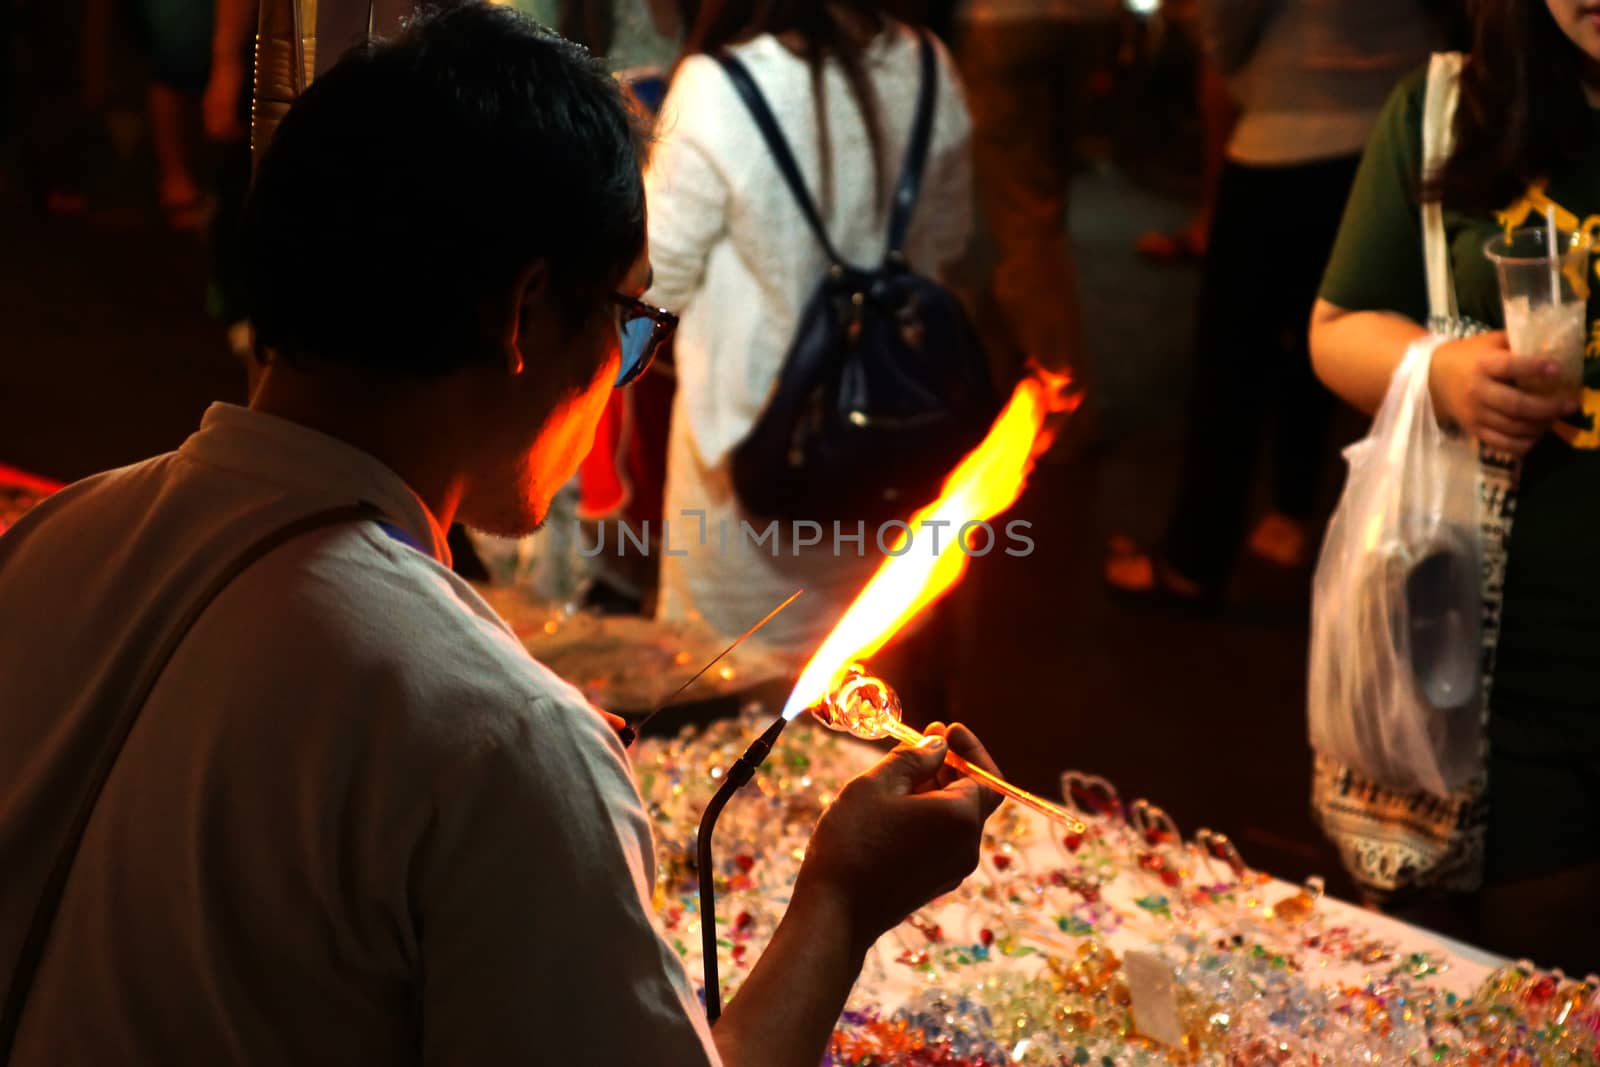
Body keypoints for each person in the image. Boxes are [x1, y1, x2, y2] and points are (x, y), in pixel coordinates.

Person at [0, 6, 1003, 1062]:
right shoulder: (497, 738)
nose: (623, 371)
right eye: (628, 323)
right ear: (526, 314)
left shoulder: (50, 543)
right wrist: (841, 898)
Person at [1309, 0, 1600, 973]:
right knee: (1536, 992)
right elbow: (1335, 326)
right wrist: (1442, 373)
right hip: (1512, 683)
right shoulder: (1444, 111)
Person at [645, 0, 976, 657]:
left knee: (726, 710)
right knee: (866, 711)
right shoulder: (931, 67)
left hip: (749, 490)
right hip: (885, 467)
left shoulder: (720, 87)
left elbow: (655, 279)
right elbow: (948, 246)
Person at [1106, 0, 1445, 608]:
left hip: (1289, 131)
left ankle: (1194, 560)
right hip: (1401, 129)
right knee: (1334, 337)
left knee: (1233, 360)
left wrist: (1231, 65)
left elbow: (1226, 23)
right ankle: (1292, 516)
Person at [954, 0, 1117, 383]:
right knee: (1040, 204)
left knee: (1023, 217)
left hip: (1007, 20)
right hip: (1089, 21)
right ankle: (999, 369)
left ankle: (1057, 397)